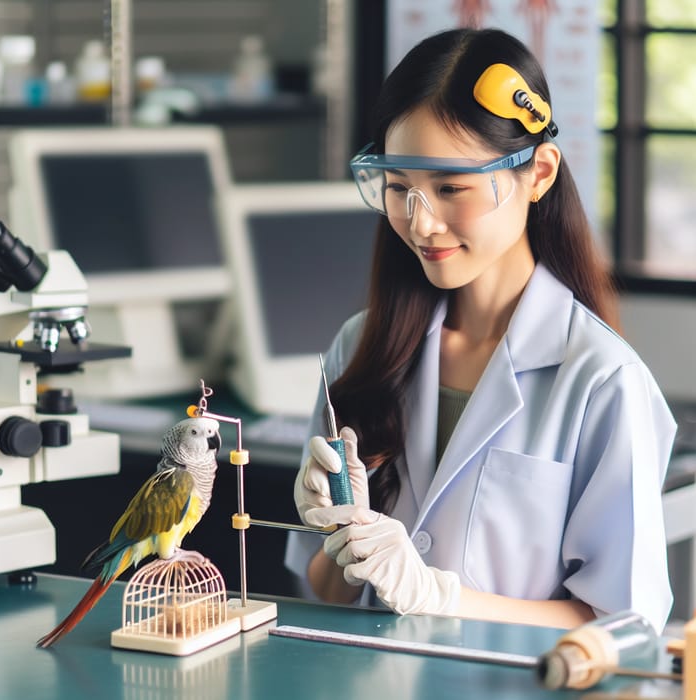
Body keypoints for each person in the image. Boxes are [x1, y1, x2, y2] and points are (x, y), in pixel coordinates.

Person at [284, 27, 676, 633]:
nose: (421, 223)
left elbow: (623, 626)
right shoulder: (359, 349)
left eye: (451, 188)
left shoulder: (603, 381)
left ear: (539, 173)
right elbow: (325, 593)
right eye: (399, 189)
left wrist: (442, 598)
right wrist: (339, 528)